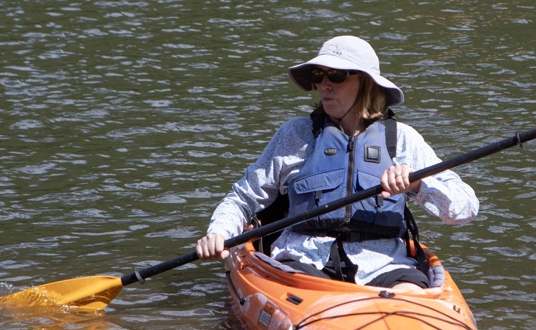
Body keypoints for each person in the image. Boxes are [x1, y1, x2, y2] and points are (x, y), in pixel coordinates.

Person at [195, 36, 478, 289]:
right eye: (319, 75)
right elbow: (242, 200)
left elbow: (464, 210)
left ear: (365, 82)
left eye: (337, 75)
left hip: (384, 266)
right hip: (303, 263)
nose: (324, 85)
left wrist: (417, 184)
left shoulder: (401, 139)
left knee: (411, 293)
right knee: (306, 291)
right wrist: (218, 232)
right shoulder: (295, 134)